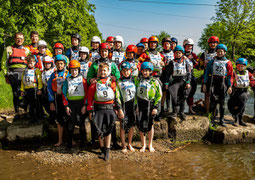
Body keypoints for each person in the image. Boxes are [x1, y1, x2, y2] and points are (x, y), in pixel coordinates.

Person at [86, 42, 120, 145]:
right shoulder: (95, 64)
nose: (104, 53)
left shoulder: (112, 64)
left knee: (111, 121)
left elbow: (117, 75)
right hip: (98, 91)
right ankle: (94, 141)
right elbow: (89, 77)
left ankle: (113, 141)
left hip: (109, 91)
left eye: (105, 51)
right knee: (97, 120)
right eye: (102, 51)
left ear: (108, 52)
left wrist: (115, 77)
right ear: (99, 52)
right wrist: (91, 80)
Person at [87, 62, 119, 161]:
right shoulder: (95, 83)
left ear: (108, 71)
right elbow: (89, 97)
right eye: (101, 71)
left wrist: (118, 108)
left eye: (104, 70)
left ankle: (108, 150)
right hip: (98, 108)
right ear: (98, 72)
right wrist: (90, 111)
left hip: (109, 108)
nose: (103, 72)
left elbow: (116, 95)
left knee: (108, 130)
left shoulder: (111, 82)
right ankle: (102, 149)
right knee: (99, 130)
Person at [1, 32, 30, 120]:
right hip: (13, 74)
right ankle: (17, 112)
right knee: (16, 93)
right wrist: (6, 75)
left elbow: (31, 63)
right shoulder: (9, 49)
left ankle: (25, 111)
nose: (19, 40)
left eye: (21, 38)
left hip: (24, 74)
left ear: (23, 40)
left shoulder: (26, 50)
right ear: (14, 39)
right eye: (18, 38)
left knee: (26, 93)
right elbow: (3, 63)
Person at [203, 44, 233, 127]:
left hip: (223, 82)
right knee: (213, 102)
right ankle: (211, 118)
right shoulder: (212, 61)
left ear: (224, 52)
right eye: (218, 51)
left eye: (221, 51)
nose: (219, 53)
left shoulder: (228, 62)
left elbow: (230, 75)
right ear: (216, 52)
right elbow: (206, 73)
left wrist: (230, 86)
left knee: (222, 103)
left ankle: (221, 119)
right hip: (213, 82)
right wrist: (205, 84)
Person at [135, 62, 162, 152]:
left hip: (150, 104)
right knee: (141, 124)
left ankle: (150, 144)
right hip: (141, 104)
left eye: (147, 71)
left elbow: (159, 95)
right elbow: (134, 94)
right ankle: (143, 144)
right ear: (141, 71)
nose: (145, 72)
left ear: (151, 72)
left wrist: (155, 107)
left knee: (150, 124)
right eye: (143, 71)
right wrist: (135, 106)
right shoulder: (138, 81)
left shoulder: (155, 82)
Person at [62, 60, 88, 148]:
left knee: (82, 124)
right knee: (70, 124)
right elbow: (64, 94)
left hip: (81, 104)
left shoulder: (83, 80)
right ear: (69, 70)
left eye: (76, 70)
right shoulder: (67, 80)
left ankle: (83, 142)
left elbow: (87, 93)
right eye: (72, 70)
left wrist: (85, 105)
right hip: (71, 104)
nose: (74, 72)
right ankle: (69, 143)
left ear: (79, 70)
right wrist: (66, 106)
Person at [164, 45, 192, 120]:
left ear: (182, 54)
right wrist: (166, 83)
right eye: (176, 53)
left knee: (183, 96)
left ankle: (182, 112)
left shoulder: (186, 62)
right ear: (174, 54)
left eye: (179, 53)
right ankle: (174, 112)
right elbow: (168, 74)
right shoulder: (171, 62)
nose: (178, 55)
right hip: (175, 81)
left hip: (183, 81)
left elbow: (189, 73)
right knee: (174, 97)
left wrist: (188, 82)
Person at [47, 54, 70, 146]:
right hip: (57, 98)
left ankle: (70, 139)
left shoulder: (68, 73)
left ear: (64, 64)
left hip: (67, 99)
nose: (60, 65)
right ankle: (60, 140)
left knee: (68, 118)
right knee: (59, 119)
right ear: (55, 64)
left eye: (61, 63)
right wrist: (51, 102)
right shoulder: (53, 75)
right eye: (58, 63)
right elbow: (49, 88)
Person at [228, 58, 255, 126]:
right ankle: (235, 118)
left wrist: (251, 84)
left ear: (245, 66)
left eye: (242, 66)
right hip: (235, 91)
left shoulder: (248, 73)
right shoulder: (234, 73)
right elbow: (230, 79)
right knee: (232, 104)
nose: (240, 67)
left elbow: (252, 80)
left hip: (244, 91)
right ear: (236, 66)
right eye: (238, 66)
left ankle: (240, 119)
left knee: (242, 105)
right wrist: (230, 86)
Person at [116, 62, 136, 153]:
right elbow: (117, 96)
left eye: (127, 70)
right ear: (121, 72)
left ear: (130, 71)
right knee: (123, 126)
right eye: (124, 71)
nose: (126, 72)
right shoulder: (119, 82)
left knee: (131, 125)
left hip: (132, 105)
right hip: (123, 105)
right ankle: (123, 145)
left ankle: (130, 143)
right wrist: (119, 109)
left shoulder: (135, 80)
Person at [20, 55, 42, 123]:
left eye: (32, 62)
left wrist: (39, 89)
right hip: (27, 90)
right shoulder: (25, 71)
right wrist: (22, 90)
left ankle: (37, 117)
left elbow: (39, 80)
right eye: (29, 62)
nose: (30, 64)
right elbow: (22, 81)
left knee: (36, 104)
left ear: (35, 62)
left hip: (34, 89)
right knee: (30, 104)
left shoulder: (36, 70)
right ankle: (32, 118)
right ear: (27, 62)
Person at [200, 36, 219, 113]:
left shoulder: (220, 53)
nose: (213, 44)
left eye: (214, 43)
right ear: (209, 44)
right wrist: (203, 64)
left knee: (216, 95)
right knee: (207, 94)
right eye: (211, 43)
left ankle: (214, 112)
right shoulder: (204, 54)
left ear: (217, 44)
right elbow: (199, 66)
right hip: (206, 76)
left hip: (217, 76)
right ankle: (207, 113)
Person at [183, 38, 199, 114]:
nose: (189, 47)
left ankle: (190, 108)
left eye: (191, 46)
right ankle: (181, 109)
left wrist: (192, 59)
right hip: (182, 75)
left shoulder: (194, 55)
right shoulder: (180, 53)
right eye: (188, 46)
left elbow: (198, 66)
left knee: (191, 92)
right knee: (182, 92)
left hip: (191, 74)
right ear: (184, 46)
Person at [161, 37, 174, 114]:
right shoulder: (160, 53)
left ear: (170, 45)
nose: (166, 45)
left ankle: (169, 108)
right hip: (163, 74)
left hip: (172, 74)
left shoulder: (174, 53)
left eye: (168, 44)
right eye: (165, 44)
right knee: (164, 92)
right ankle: (162, 108)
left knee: (171, 91)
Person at [41, 56, 55, 122]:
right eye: (46, 64)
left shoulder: (53, 71)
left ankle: (53, 116)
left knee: (52, 103)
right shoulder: (42, 72)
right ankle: (50, 115)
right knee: (45, 102)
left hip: (53, 89)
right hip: (45, 89)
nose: (47, 65)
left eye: (49, 63)